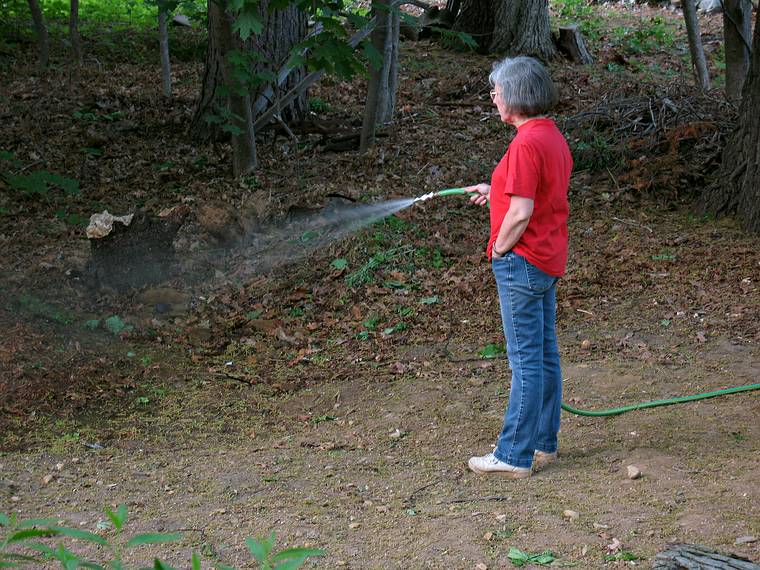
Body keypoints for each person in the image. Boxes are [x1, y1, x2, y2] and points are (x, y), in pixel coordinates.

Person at [465, 56, 572, 478]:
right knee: (544, 356)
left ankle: (512, 455)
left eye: (496, 91)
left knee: (526, 360)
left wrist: (498, 248)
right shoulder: (548, 136)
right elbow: (535, 195)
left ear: (514, 95)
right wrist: (496, 191)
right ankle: (543, 445)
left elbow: (523, 211)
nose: (493, 98)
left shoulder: (526, 142)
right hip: (545, 260)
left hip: (523, 262)